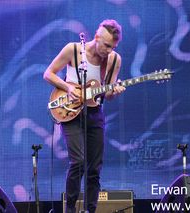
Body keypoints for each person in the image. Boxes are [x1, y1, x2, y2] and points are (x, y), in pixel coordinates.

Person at [43, 19, 125, 213]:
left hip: (95, 112)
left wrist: (115, 91)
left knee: (94, 168)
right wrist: (68, 86)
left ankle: (90, 209)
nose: (108, 50)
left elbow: (108, 94)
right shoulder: (73, 50)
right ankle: (69, 209)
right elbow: (48, 74)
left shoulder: (114, 59)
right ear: (96, 38)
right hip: (70, 111)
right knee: (78, 161)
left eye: (112, 47)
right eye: (106, 45)